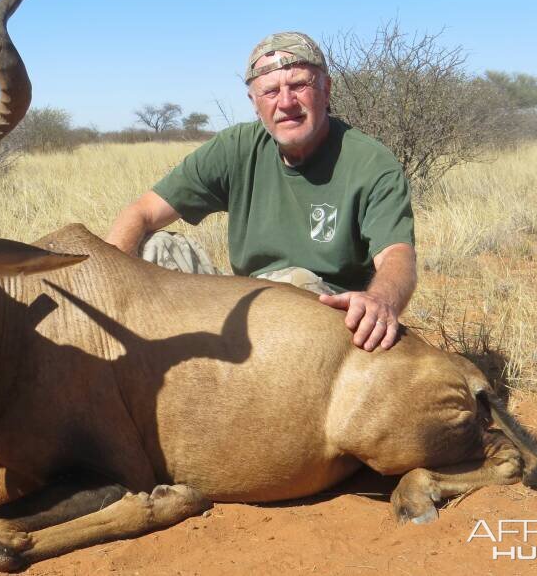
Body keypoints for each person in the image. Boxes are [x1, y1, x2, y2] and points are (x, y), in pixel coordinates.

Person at [105, 32, 417, 351]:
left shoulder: (371, 162)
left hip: (321, 314)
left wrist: (381, 300)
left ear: (326, 90)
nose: (286, 102)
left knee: (291, 283)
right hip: (245, 298)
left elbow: (397, 255)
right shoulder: (235, 147)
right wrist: (106, 280)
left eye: (299, 85)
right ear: (255, 104)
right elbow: (141, 212)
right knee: (151, 248)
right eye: (270, 91)